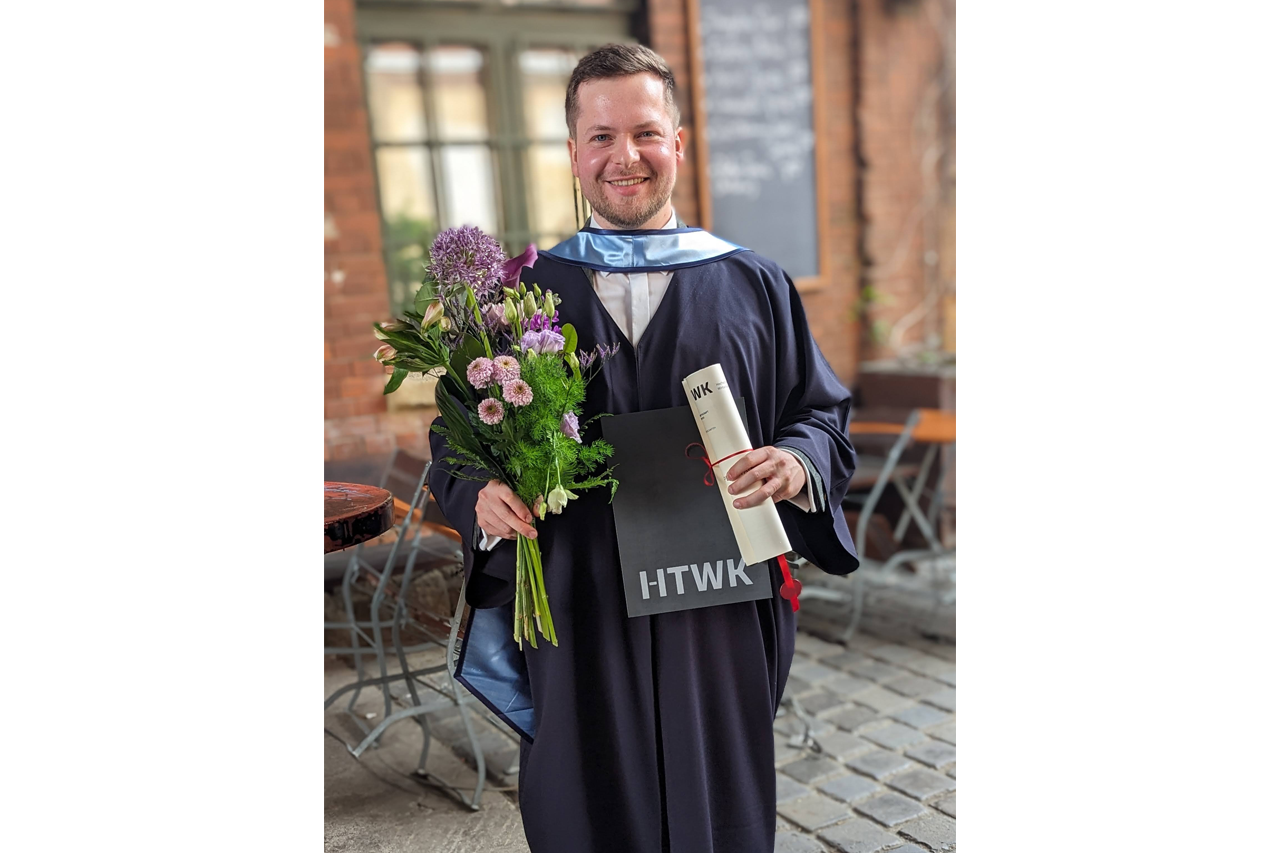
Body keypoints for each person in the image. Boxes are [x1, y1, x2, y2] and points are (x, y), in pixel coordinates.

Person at [428, 43, 859, 853]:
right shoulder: (520, 297)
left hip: (716, 603)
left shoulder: (753, 284)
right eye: (600, 137)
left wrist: (797, 462)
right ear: (572, 152)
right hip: (576, 601)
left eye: (646, 133)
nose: (624, 157)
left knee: (716, 809)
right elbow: (453, 443)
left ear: (680, 144)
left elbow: (821, 414)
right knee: (586, 804)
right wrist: (478, 495)